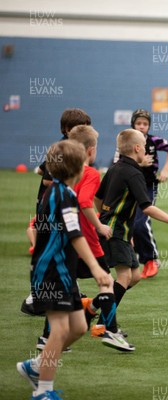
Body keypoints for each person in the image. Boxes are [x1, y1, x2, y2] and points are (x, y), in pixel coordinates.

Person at [17, 140, 112, 400]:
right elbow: (74, 234)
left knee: (79, 327)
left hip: (62, 271)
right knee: (59, 330)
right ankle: (43, 392)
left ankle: (36, 365)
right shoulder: (64, 195)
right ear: (79, 169)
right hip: (51, 272)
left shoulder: (58, 191)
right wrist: (95, 268)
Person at [91, 129, 168, 338]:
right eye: (144, 147)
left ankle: (92, 308)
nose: (146, 150)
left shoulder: (114, 168)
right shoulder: (134, 173)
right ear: (137, 148)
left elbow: (98, 199)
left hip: (120, 230)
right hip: (115, 230)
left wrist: (103, 215)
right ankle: (104, 326)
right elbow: (146, 207)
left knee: (134, 276)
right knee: (123, 276)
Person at [21, 108, 92, 317]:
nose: (85, 131)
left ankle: (69, 293)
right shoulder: (64, 149)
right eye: (82, 127)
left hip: (58, 205)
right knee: (51, 253)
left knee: (63, 252)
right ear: (68, 129)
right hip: (51, 207)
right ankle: (34, 298)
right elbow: (47, 178)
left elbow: (42, 169)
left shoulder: (70, 147)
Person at [126, 109, 168, 278]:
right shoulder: (126, 142)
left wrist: (166, 170)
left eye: (145, 124)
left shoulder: (154, 140)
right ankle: (141, 259)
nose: (141, 127)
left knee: (141, 223)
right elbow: (119, 163)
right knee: (130, 224)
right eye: (138, 123)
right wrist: (139, 164)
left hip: (148, 186)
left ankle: (152, 260)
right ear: (133, 124)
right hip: (129, 186)